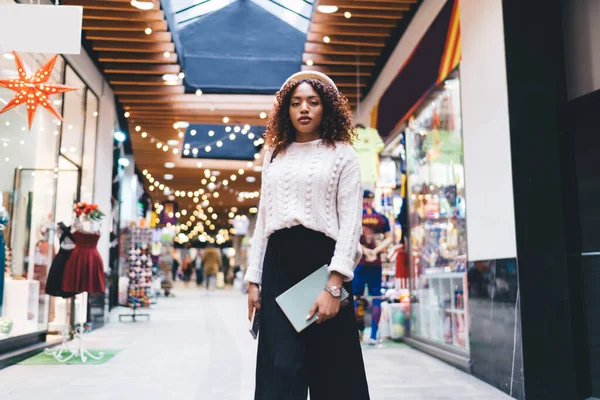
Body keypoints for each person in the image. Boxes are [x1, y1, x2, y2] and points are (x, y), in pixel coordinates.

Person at [245, 71, 370, 400]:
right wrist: (253, 279)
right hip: (278, 265)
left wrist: (335, 282)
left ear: (326, 108)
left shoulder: (342, 154)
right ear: (285, 109)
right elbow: (264, 220)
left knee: (333, 370)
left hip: (323, 266)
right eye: (296, 102)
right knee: (280, 369)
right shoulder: (274, 155)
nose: (304, 109)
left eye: (313, 102)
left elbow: (350, 224)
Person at [353, 190, 394, 345]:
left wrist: (365, 251)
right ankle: (373, 335)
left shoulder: (357, 215)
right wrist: (375, 252)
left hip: (359, 262)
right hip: (375, 264)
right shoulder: (381, 218)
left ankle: (358, 333)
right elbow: (389, 238)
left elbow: (350, 235)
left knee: (356, 298)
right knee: (376, 297)